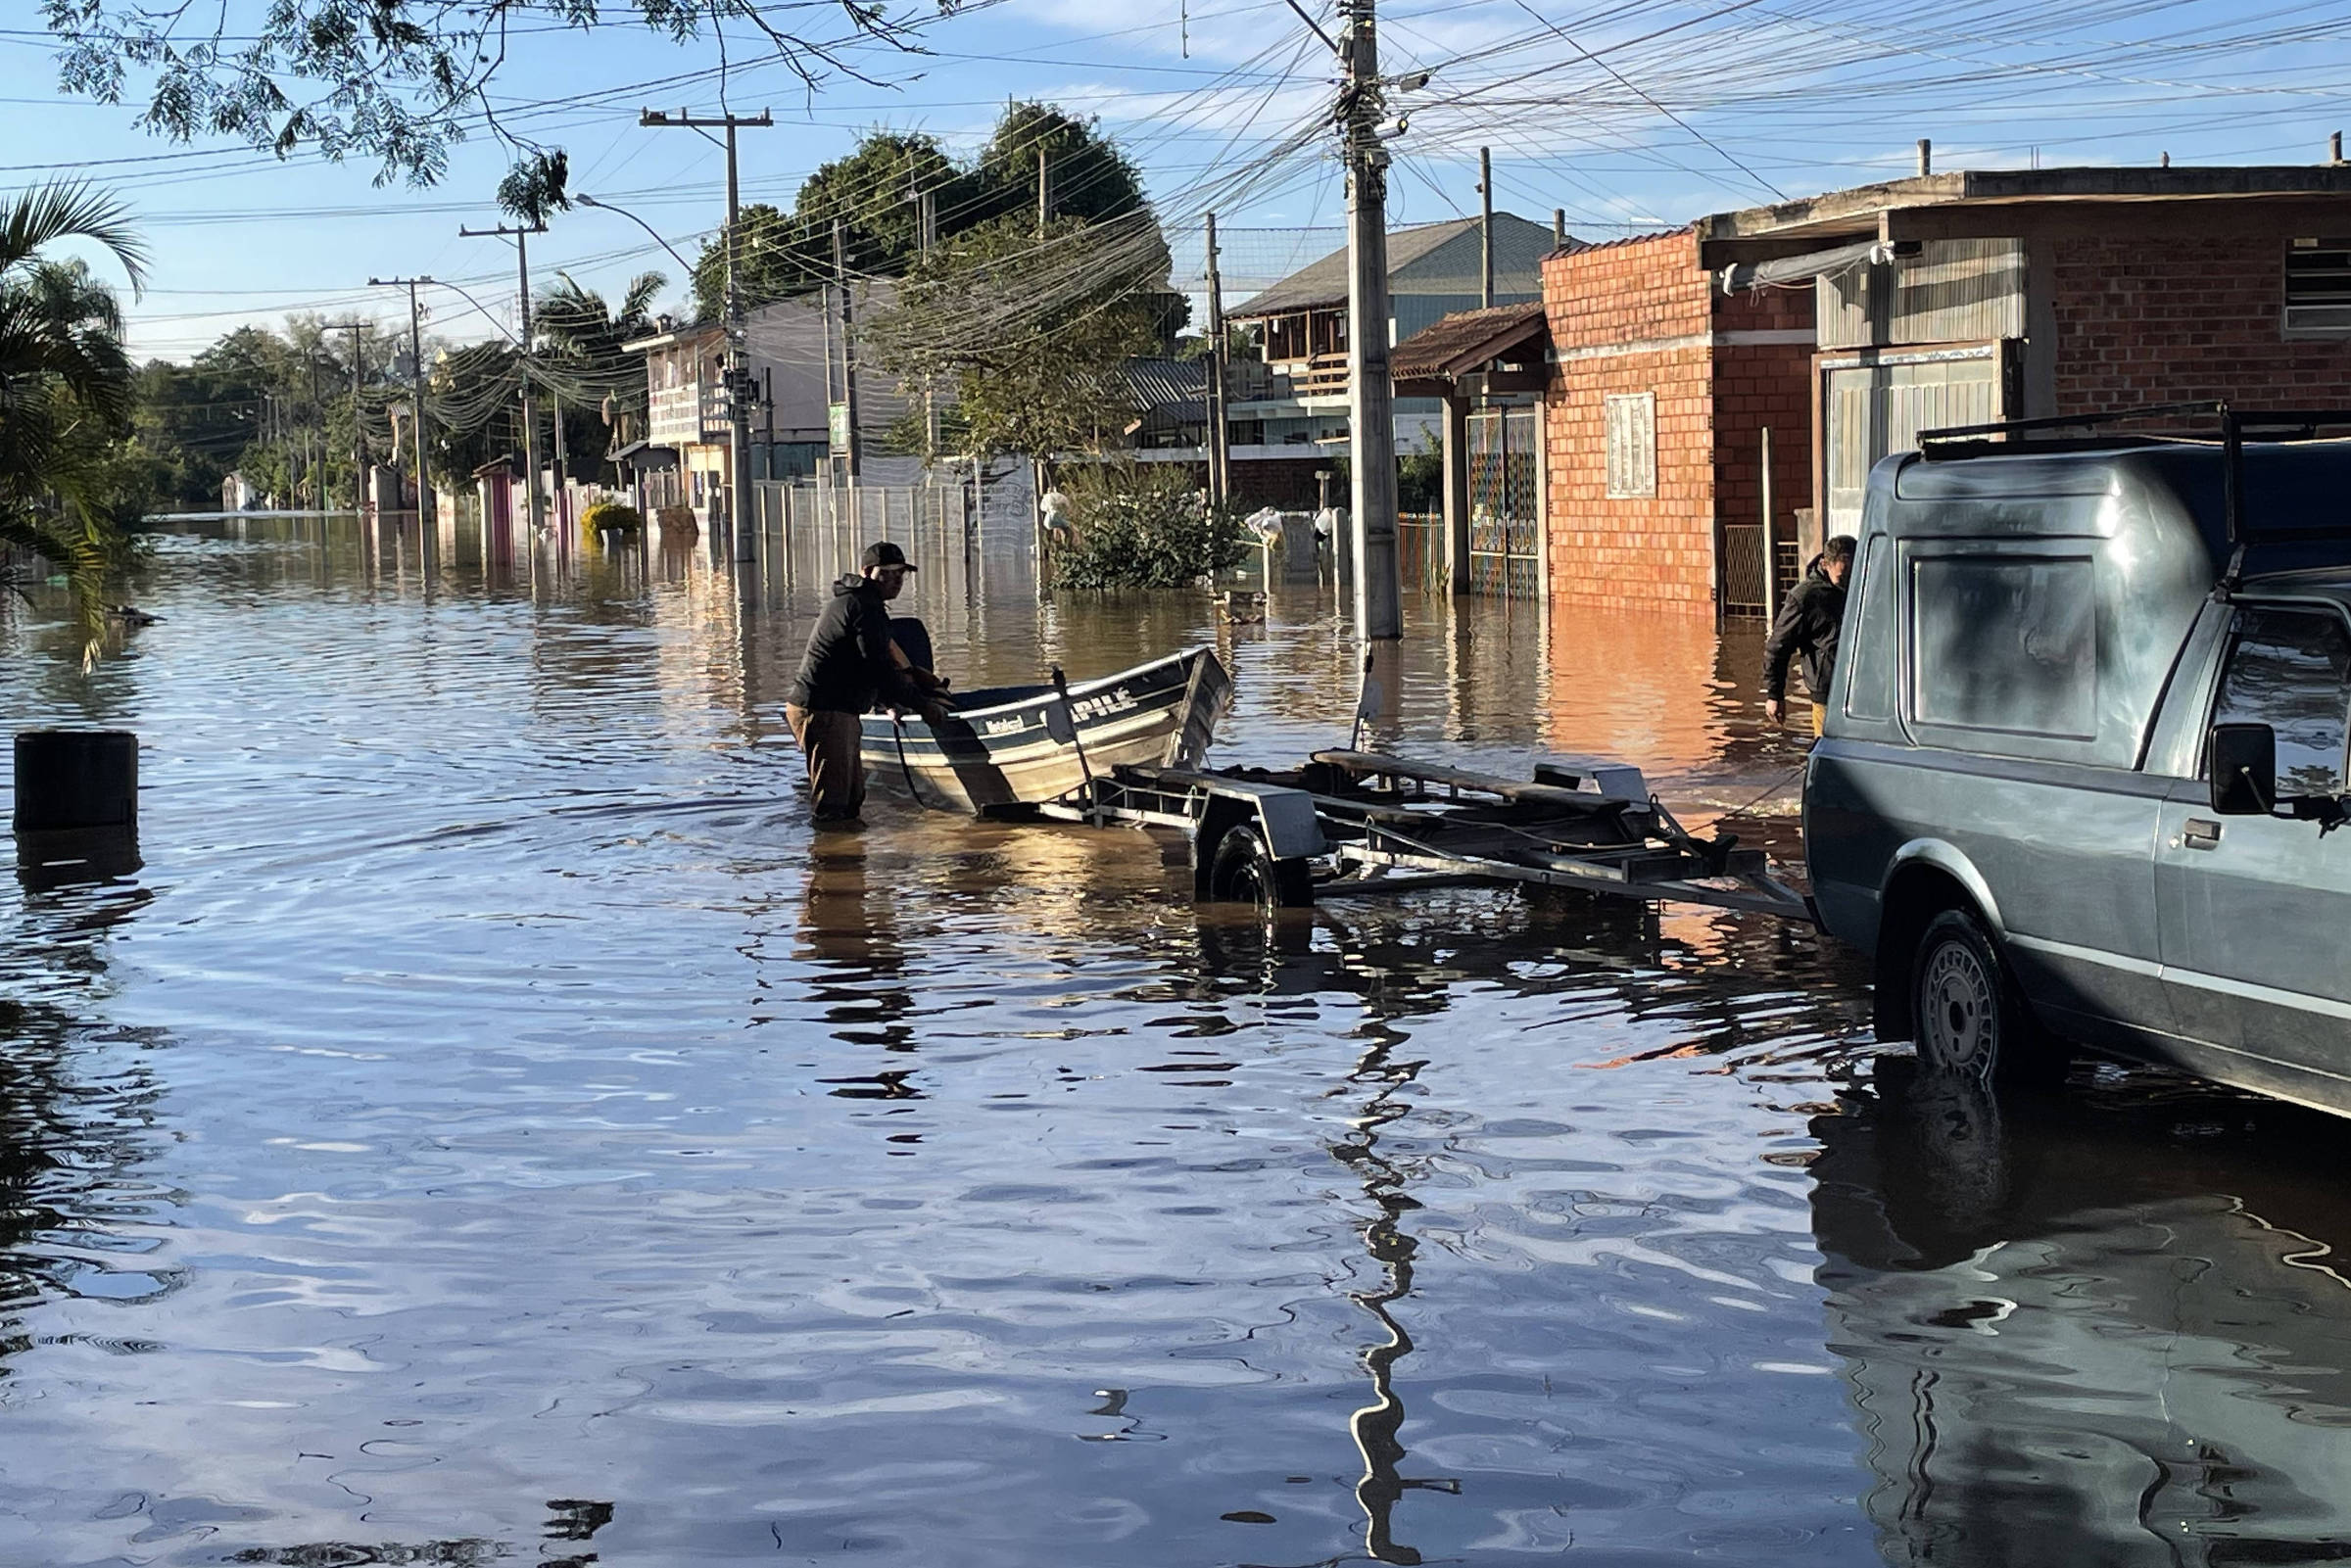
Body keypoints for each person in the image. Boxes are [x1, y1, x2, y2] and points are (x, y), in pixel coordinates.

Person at [784, 542, 948, 825]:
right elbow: (879, 669)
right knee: (834, 809)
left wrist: (888, 704)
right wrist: (924, 706)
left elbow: (863, 666)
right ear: (867, 572)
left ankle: (849, 863)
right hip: (824, 711)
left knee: (851, 801)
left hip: (836, 710)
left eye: (901, 574)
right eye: (887, 573)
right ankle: (828, 863)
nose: (896, 580)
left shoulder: (862, 604)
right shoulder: (863, 607)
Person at [1762, 534, 1856, 736]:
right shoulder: (1805, 597)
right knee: (1829, 755)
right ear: (1825, 564)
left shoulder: (1864, 588)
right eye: (1842, 577)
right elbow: (1778, 647)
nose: (1847, 584)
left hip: (1864, 691)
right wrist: (1775, 695)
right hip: (1827, 695)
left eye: (1852, 576)